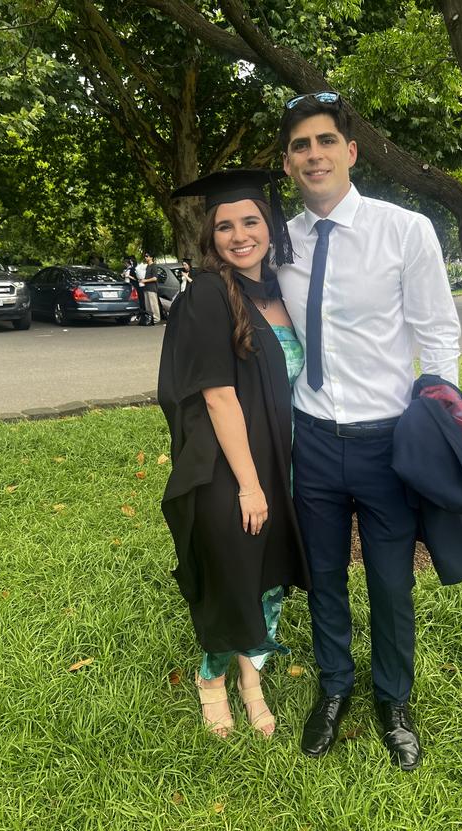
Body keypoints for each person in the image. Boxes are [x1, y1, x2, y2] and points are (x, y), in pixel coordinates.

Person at [277, 92, 462, 770]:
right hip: (314, 438)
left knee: (390, 583)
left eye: (326, 141)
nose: (314, 154)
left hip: (389, 441)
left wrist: (444, 422)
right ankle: (334, 688)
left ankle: (393, 698)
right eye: (301, 145)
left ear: (351, 152)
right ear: (289, 161)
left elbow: (438, 330)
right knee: (324, 575)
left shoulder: (404, 230)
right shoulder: (282, 240)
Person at [158, 169, 310, 738]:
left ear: (269, 227)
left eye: (251, 221)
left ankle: (253, 677)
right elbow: (219, 397)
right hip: (235, 462)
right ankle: (212, 680)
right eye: (225, 225)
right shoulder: (206, 294)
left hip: (288, 456)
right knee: (234, 571)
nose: (239, 234)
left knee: (268, 574)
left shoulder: (278, 291)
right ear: (210, 235)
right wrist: (249, 484)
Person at [140, 252, 162, 324]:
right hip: (146, 287)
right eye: (145, 256)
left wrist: (145, 280)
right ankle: (150, 318)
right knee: (148, 305)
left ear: (151, 257)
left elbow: (155, 278)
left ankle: (156, 319)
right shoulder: (147, 266)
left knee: (153, 304)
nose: (145, 257)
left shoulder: (154, 266)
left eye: (147, 256)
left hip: (152, 288)